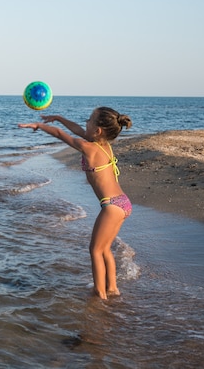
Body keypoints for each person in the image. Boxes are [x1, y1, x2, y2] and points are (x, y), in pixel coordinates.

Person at [19, 107, 132, 300]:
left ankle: (100, 293)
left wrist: (40, 125)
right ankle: (112, 289)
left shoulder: (88, 147)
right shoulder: (103, 145)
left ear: (98, 130)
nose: (85, 123)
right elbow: (76, 129)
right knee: (105, 249)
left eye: (89, 120)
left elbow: (62, 135)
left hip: (111, 206)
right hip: (123, 203)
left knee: (95, 249)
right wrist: (59, 117)